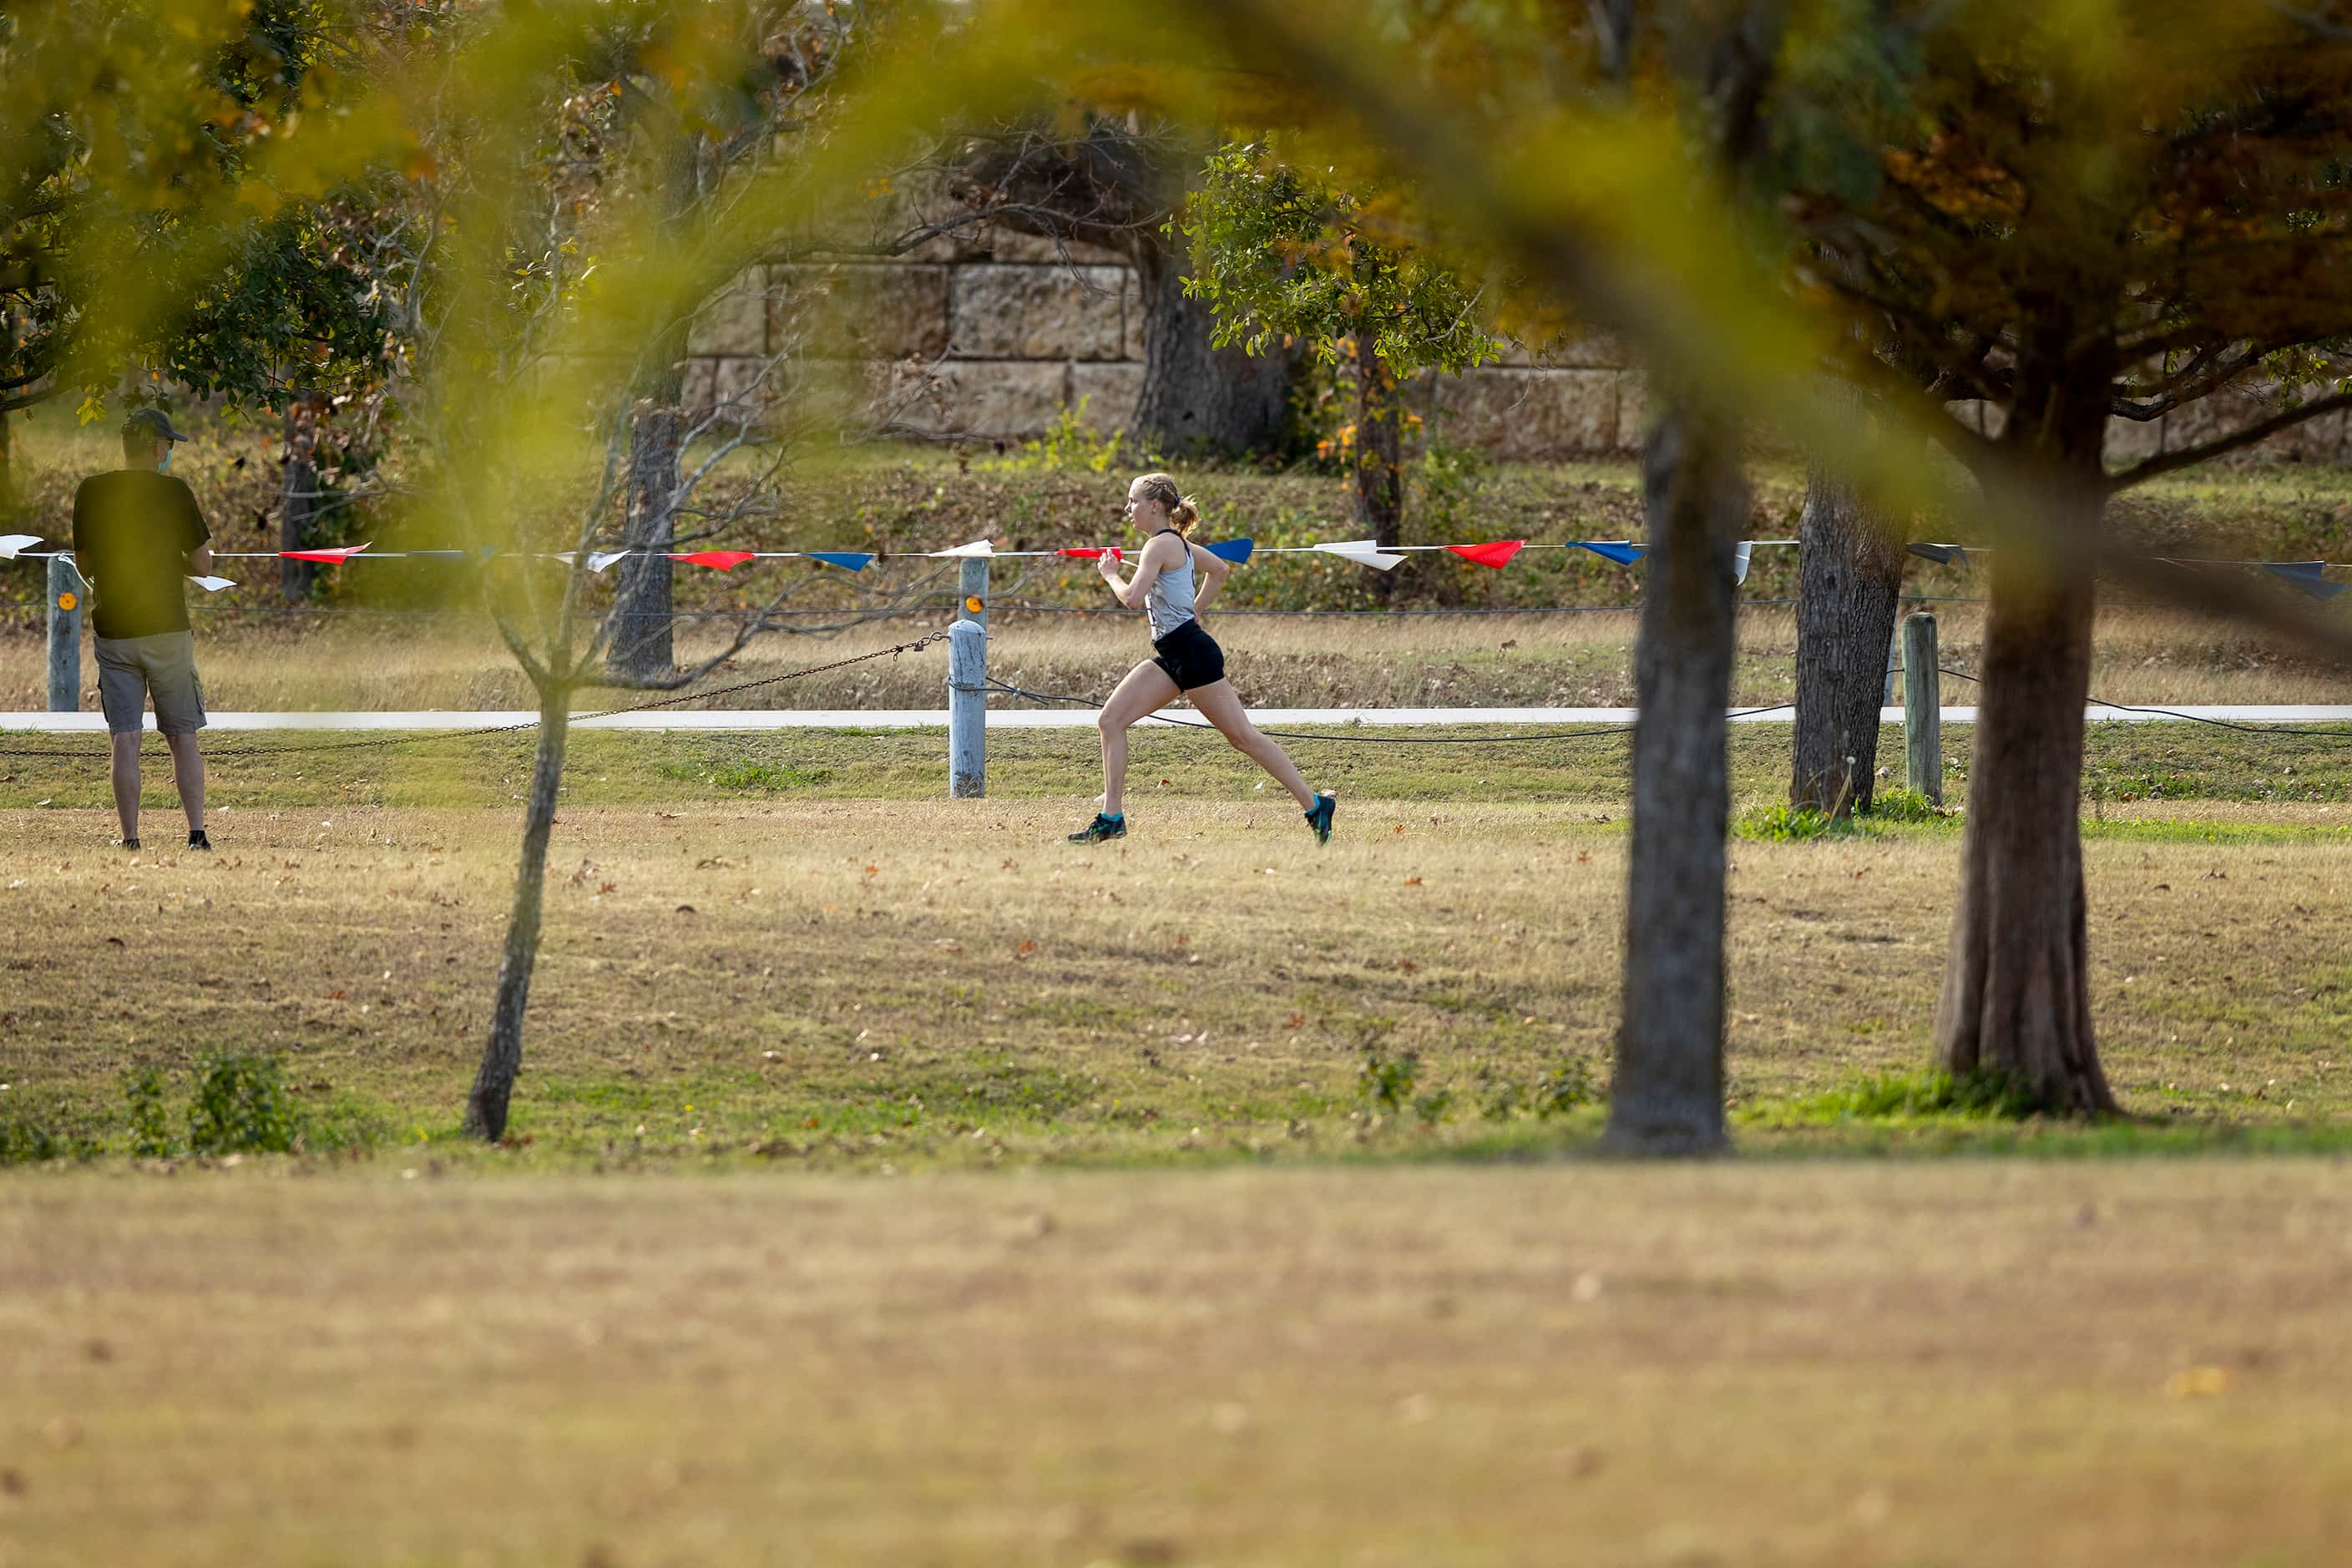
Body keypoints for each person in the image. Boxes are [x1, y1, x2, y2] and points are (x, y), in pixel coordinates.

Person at [1070, 471, 1336, 845]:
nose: (1128, 508)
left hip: (1191, 654)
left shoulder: (1159, 546)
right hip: (1174, 652)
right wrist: (1195, 610)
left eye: (1133, 502)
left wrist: (1110, 574)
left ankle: (1315, 805)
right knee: (1111, 720)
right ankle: (1111, 818)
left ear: (1155, 506)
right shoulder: (1176, 544)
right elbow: (1221, 570)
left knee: (1244, 738)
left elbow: (1130, 598)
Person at [71, 407, 213, 852]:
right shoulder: (175, 492)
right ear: (156, 448)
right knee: (181, 735)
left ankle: (130, 837)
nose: (169, 453)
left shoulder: (91, 491)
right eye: (168, 445)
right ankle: (196, 834)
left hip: (115, 630)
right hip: (168, 629)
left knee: (125, 736)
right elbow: (203, 563)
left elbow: (84, 564)